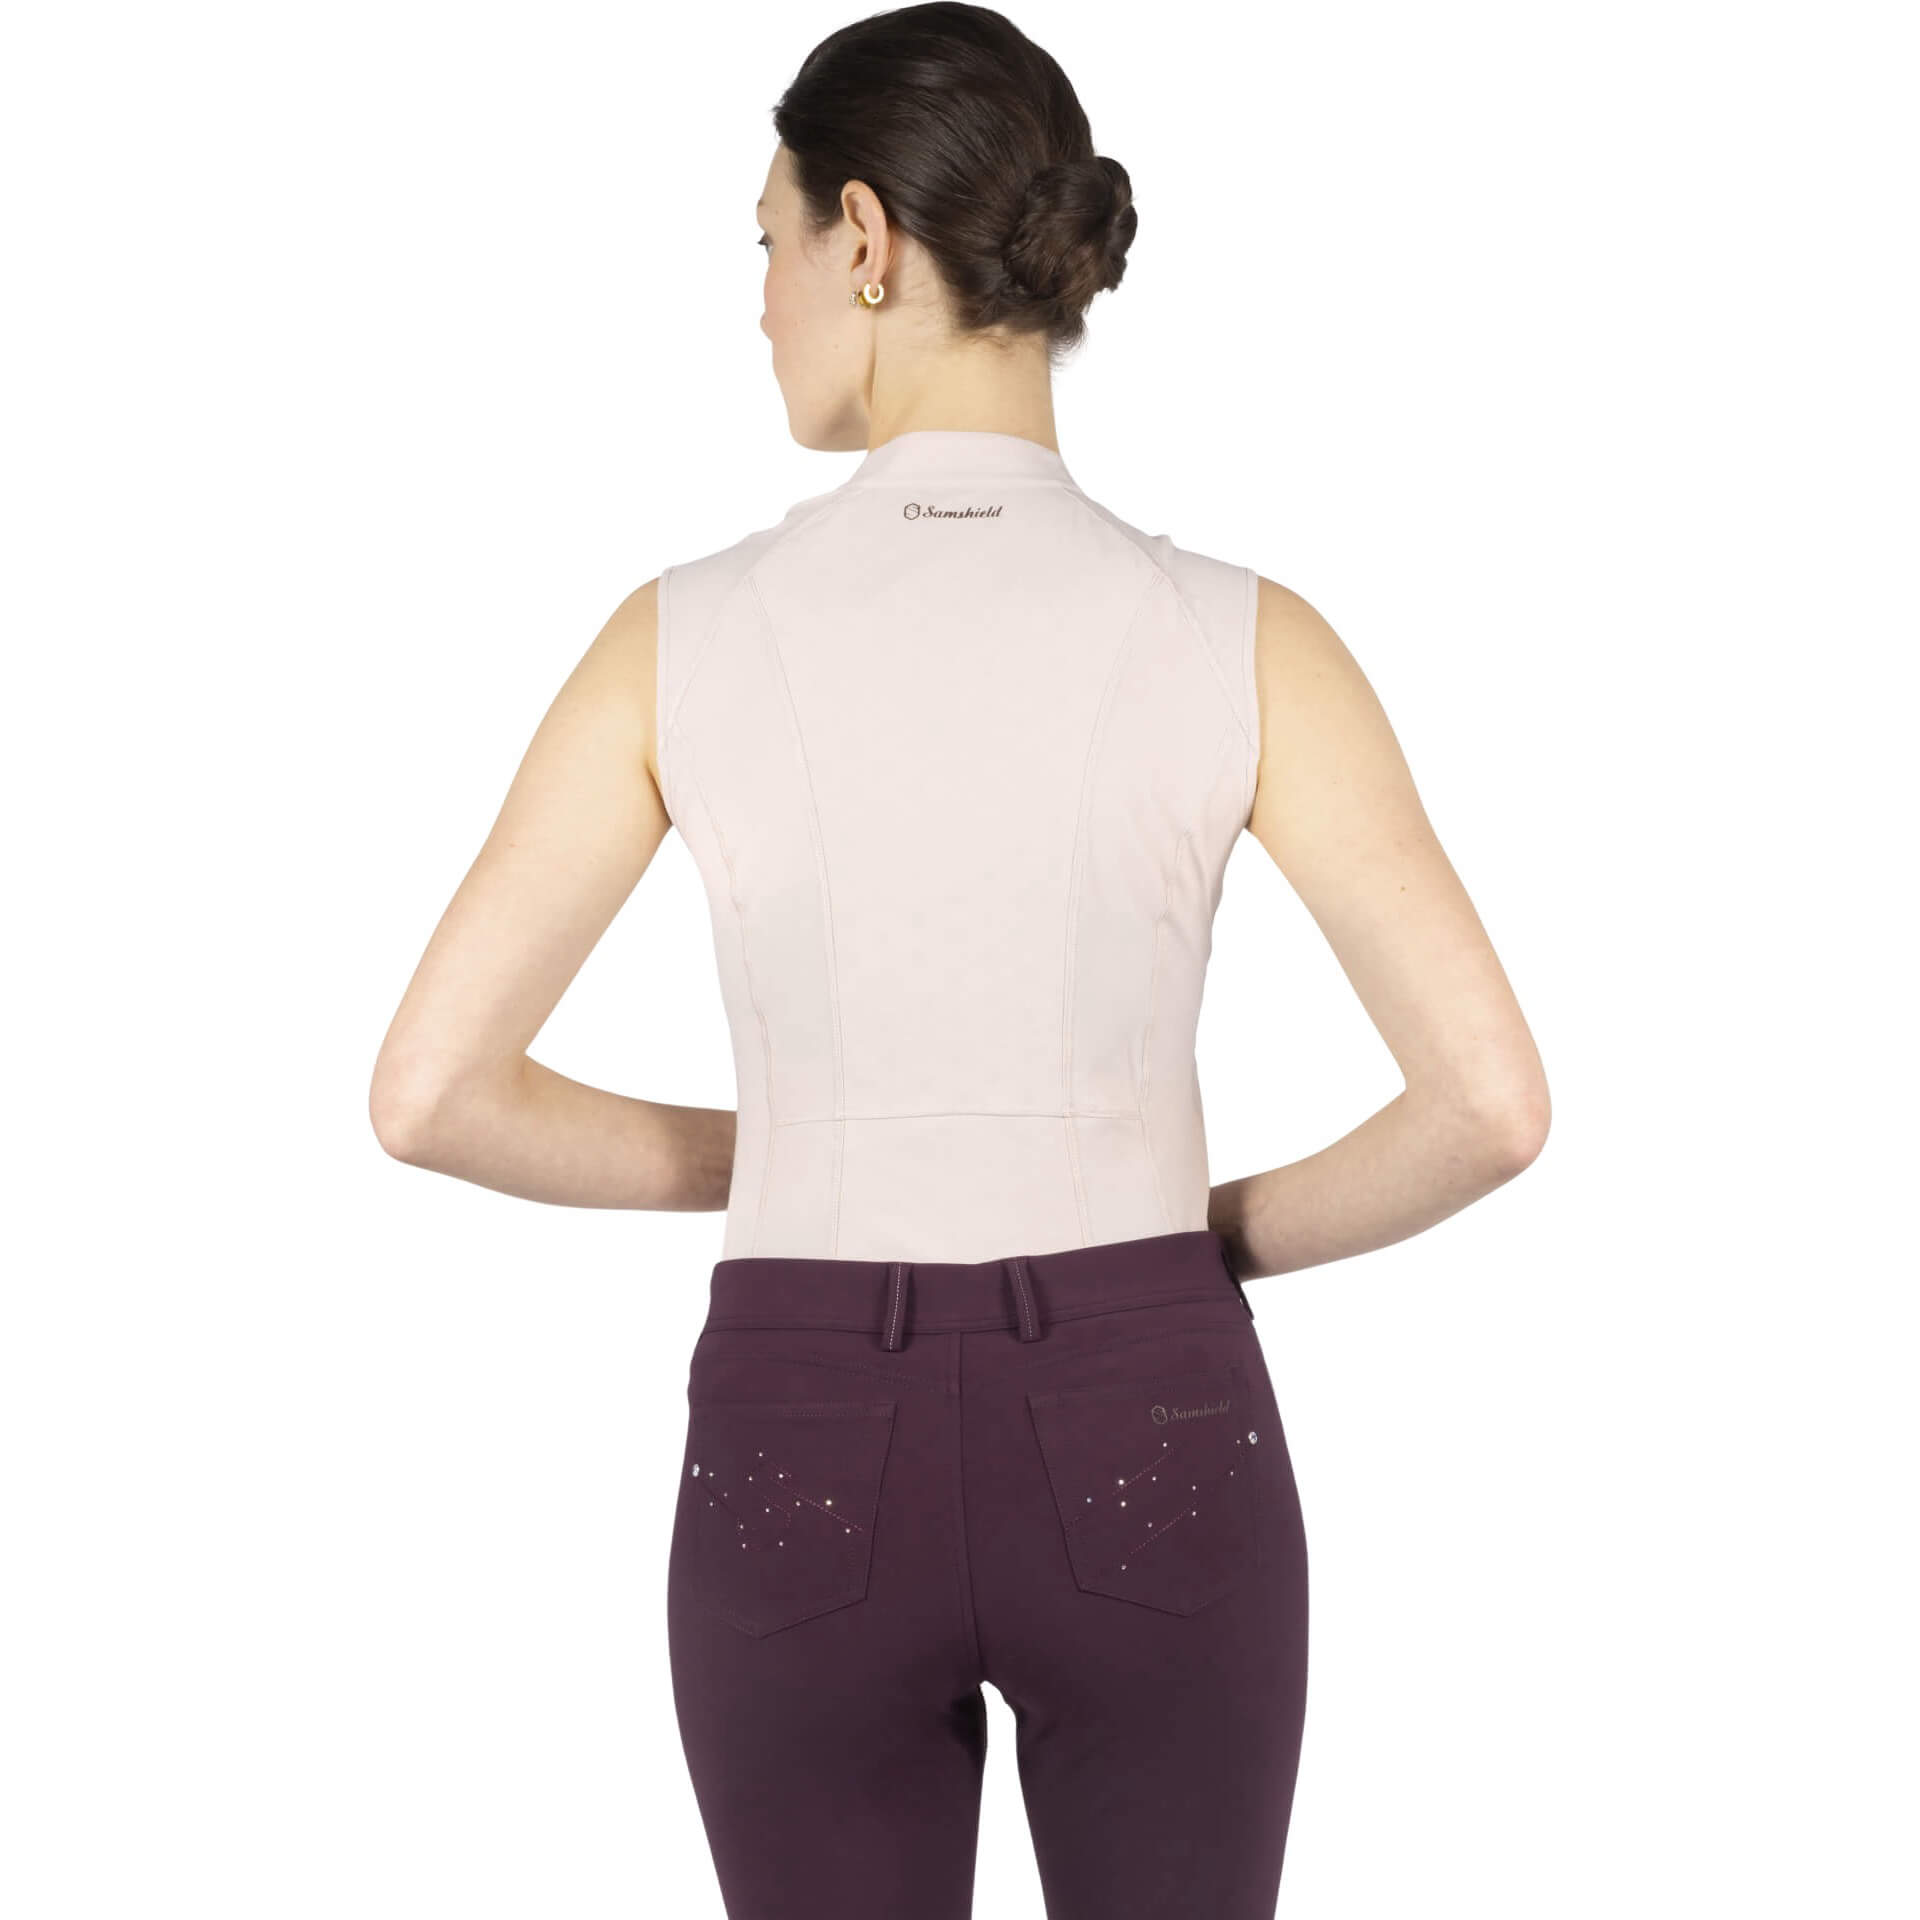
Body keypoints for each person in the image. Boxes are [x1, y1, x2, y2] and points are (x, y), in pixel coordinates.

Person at [370, 5, 1550, 1914]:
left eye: (764, 241)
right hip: (1152, 1402)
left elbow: (432, 1096)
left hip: (802, 1431)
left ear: (864, 236)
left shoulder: (678, 638)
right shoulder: (1246, 633)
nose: (757, 300)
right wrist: (1184, 1247)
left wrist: (806, 1147)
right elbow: (1488, 1108)